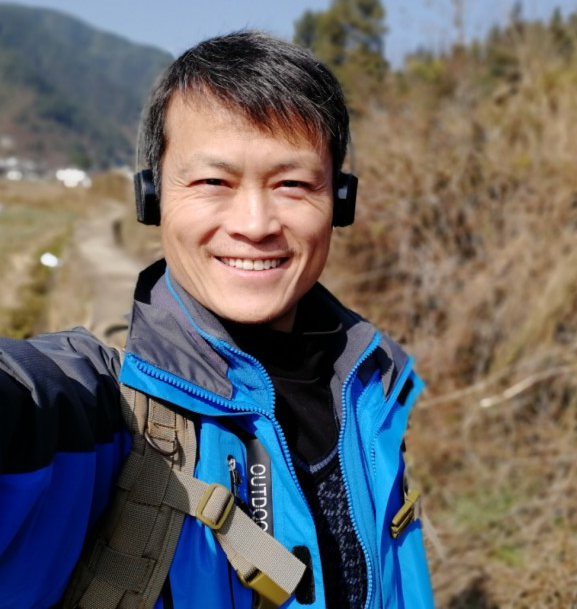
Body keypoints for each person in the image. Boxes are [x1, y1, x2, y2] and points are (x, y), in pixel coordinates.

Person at [0, 30, 435, 608]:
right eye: (213, 182)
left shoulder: (372, 385)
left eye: (293, 184)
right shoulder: (105, 407)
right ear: (153, 197)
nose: (255, 224)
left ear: (340, 200)